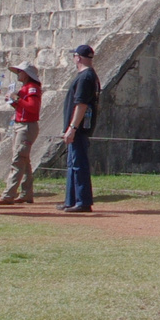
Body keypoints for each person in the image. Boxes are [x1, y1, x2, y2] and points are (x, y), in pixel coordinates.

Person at [0, 63, 43, 205]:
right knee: (23, 159)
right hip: (22, 125)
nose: (18, 74)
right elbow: (24, 108)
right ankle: (26, 193)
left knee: (18, 159)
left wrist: (17, 99)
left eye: (20, 72)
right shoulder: (26, 88)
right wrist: (14, 102)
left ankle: (9, 194)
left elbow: (33, 108)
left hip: (26, 126)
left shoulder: (32, 88)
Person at [62, 44, 99, 213]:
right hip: (78, 127)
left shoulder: (85, 77)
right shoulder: (87, 76)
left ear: (78, 57)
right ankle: (71, 199)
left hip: (79, 127)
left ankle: (82, 201)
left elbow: (81, 104)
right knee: (72, 163)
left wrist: (73, 127)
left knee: (78, 163)